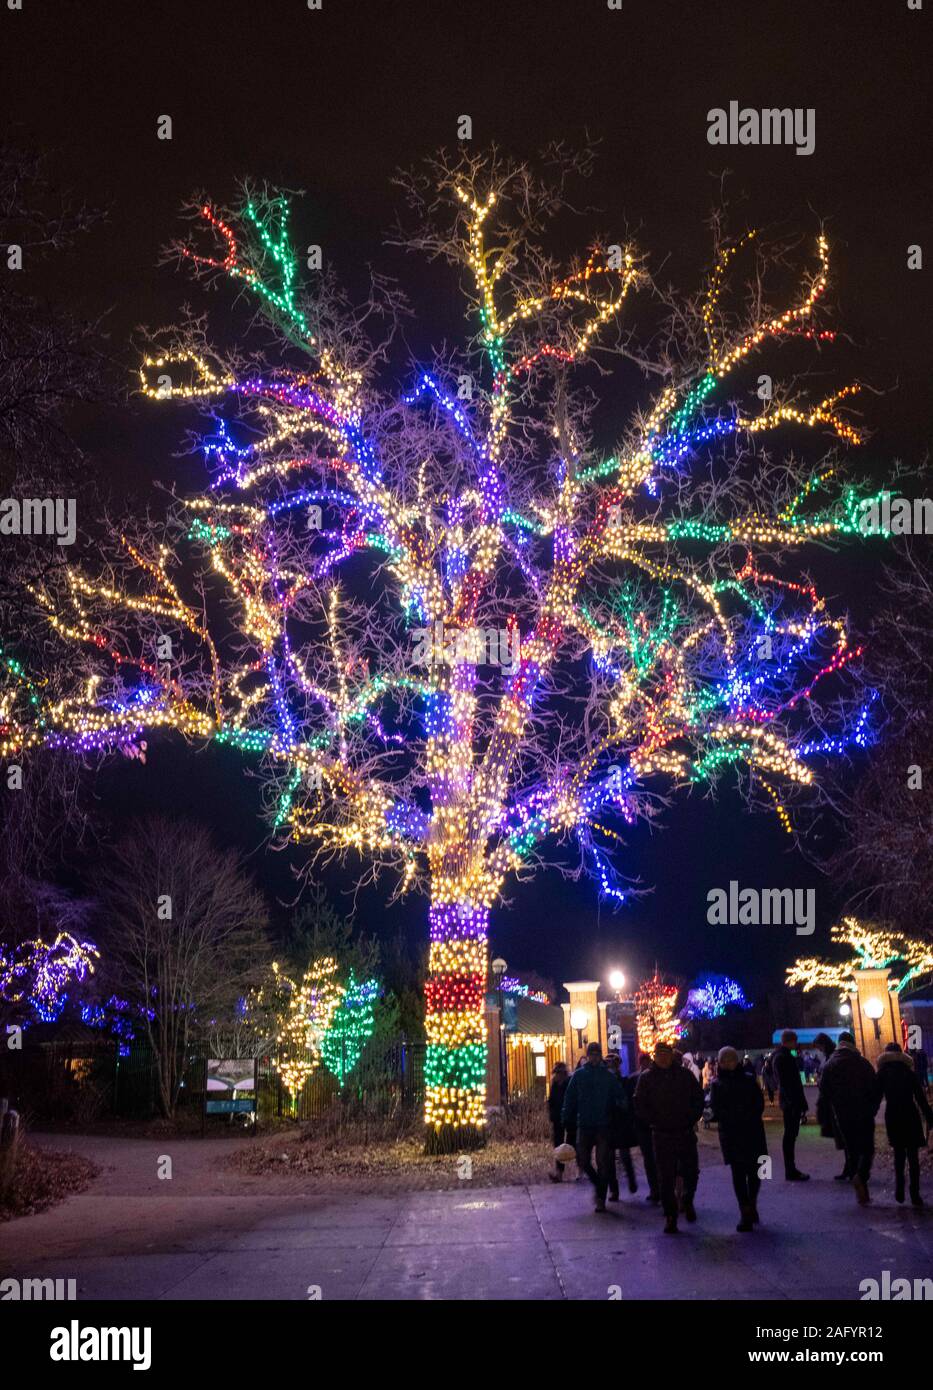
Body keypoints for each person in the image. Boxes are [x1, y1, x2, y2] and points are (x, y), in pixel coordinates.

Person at [635, 1040, 705, 1234]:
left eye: (666, 1055)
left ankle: (688, 1199)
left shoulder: (684, 1076)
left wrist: (691, 1118)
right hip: (662, 1133)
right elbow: (640, 1103)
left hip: (684, 1130)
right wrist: (653, 1120)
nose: (663, 1059)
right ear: (655, 1057)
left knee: (691, 1171)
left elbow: (697, 1098)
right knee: (665, 1176)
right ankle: (670, 1216)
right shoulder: (647, 1079)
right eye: (660, 1055)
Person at [562, 1040, 628, 1213]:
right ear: (589, 1055)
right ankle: (599, 1185)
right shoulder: (580, 1075)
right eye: (592, 1054)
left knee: (603, 1162)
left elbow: (619, 1095)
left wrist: (621, 1104)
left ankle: (601, 1198)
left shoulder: (607, 1076)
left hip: (602, 1125)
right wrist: (566, 1115)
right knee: (583, 1160)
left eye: (597, 1054)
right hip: (584, 1124)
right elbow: (570, 1097)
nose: (594, 1057)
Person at [818, 1031, 880, 1205]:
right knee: (867, 1148)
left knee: (851, 1150)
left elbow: (824, 1090)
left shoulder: (830, 1064)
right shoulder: (862, 1063)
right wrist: (872, 1108)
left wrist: (835, 1105)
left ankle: (859, 1187)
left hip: (842, 1114)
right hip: (864, 1112)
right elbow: (874, 1088)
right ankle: (861, 1177)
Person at [710, 1046, 767, 1232]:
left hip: (752, 1132)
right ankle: (745, 1210)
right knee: (739, 1173)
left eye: (731, 1059)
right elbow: (716, 1109)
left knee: (757, 1171)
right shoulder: (717, 1084)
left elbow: (759, 1104)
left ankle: (752, 1203)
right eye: (724, 1060)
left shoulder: (749, 1080)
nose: (728, 1063)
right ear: (720, 1062)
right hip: (733, 1134)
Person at [876, 1042, 933, 1207]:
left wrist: (867, 1114)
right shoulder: (910, 1073)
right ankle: (915, 1194)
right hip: (910, 1115)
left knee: (899, 1154)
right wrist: (930, 1118)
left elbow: (875, 1097)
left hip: (893, 1116)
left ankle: (899, 1189)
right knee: (913, 1157)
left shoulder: (882, 1073)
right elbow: (921, 1099)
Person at [773, 1030, 810, 1181]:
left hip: (789, 1101)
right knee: (790, 1135)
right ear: (789, 1041)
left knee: (790, 1135)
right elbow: (791, 1083)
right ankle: (790, 1169)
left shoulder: (781, 1057)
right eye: (795, 1041)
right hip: (791, 1102)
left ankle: (791, 1168)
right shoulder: (785, 1058)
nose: (796, 1044)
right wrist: (798, 1103)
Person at [605, 1052, 638, 1198]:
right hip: (608, 1123)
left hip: (621, 1122)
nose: (611, 1067)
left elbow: (629, 1103)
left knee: (625, 1155)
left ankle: (631, 1180)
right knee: (609, 1158)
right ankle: (614, 1189)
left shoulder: (625, 1082)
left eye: (613, 1064)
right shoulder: (603, 1083)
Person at [632, 1051, 661, 1203]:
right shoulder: (635, 1078)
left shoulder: (656, 1078)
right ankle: (655, 1189)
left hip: (654, 1124)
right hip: (644, 1124)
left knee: (657, 1158)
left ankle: (659, 1189)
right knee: (650, 1158)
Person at [547, 1060, 575, 1182]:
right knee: (558, 1146)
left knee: (572, 1144)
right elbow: (551, 1101)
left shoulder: (569, 1084)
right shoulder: (554, 1085)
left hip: (569, 1118)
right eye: (555, 1073)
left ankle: (580, 1169)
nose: (556, 1075)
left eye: (558, 1073)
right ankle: (559, 1173)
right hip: (557, 1119)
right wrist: (552, 1114)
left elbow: (572, 1100)